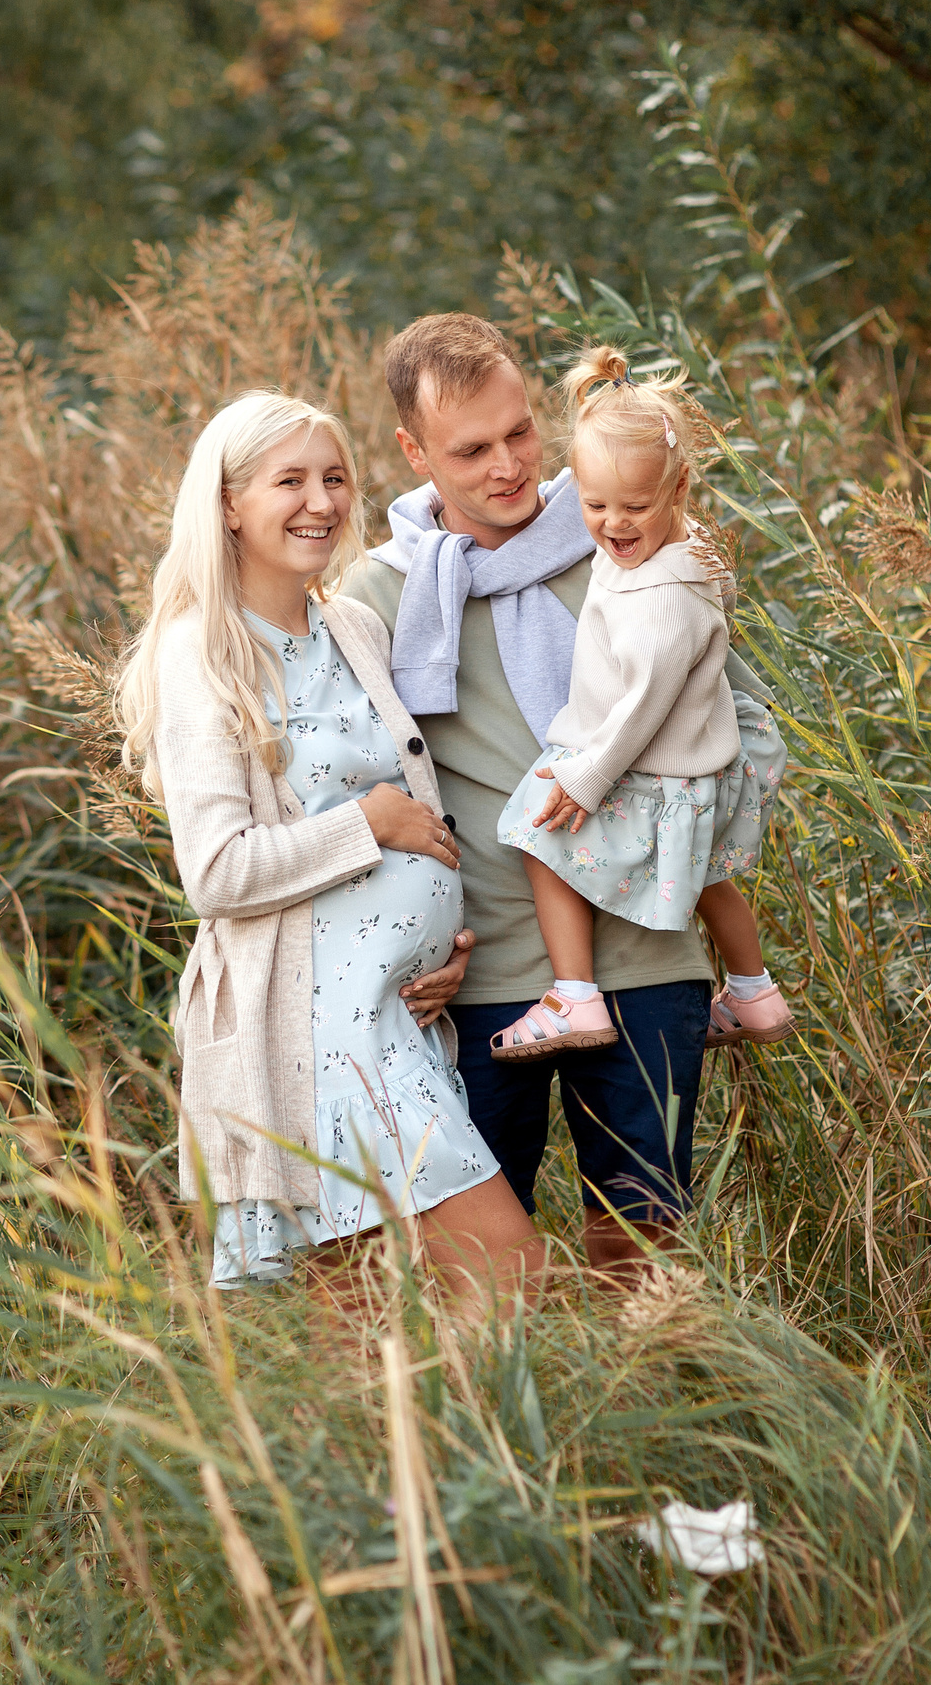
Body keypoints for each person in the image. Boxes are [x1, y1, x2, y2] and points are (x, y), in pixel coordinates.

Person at [340, 314, 788, 1276]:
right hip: (485, 980)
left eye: (519, 434)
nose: (508, 466)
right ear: (415, 452)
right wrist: (406, 943)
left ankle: (644, 1417)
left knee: (640, 1245)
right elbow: (348, 784)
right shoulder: (378, 598)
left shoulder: (624, 537)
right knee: (478, 1272)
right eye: (471, 449)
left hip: (643, 954)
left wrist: (696, 858)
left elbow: (731, 723)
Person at [115, 388, 546, 1299]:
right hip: (313, 1028)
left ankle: (424, 1447)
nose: (321, 502)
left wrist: (447, 947)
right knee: (506, 1269)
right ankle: (492, 1444)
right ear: (229, 503)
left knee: (360, 1330)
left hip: (397, 1010)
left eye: (336, 478)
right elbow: (219, 871)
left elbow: (419, 812)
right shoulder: (203, 653)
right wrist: (372, 825)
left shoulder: (351, 624)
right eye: (290, 481)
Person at [491, 347, 792, 1060]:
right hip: (696, 762)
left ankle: (575, 994)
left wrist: (585, 777)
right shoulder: (675, 550)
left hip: (651, 763)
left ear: (679, 486)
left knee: (537, 831)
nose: (614, 525)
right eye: (594, 506)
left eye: (635, 506)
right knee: (710, 875)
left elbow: (644, 706)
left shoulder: (661, 595)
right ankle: (754, 992)